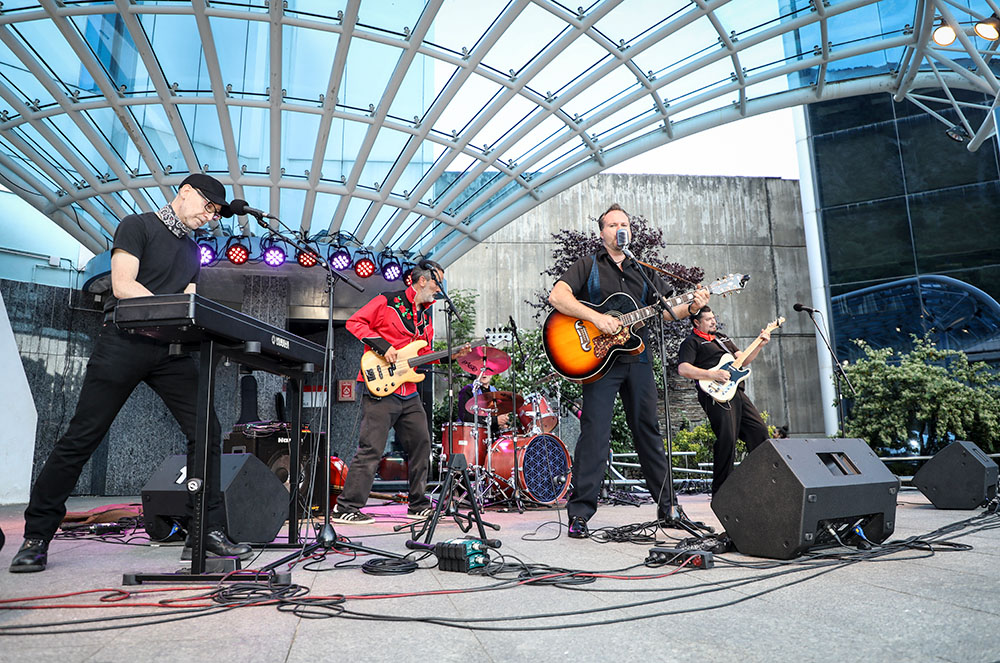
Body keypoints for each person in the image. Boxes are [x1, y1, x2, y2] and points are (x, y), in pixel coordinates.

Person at [9, 174, 252, 573]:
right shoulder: (137, 225)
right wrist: (174, 308)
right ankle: (37, 536)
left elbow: (188, 301)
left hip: (169, 352)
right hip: (124, 342)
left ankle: (205, 528)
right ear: (185, 193)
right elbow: (123, 286)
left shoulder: (193, 253)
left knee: (206, 429)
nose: (210, 217)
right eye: (207, 207)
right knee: (82, 436)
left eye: (215, 214)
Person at [548, 204, 709, 539]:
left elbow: (666, 311)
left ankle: (669, 509)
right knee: (595, 433)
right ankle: (580, 514)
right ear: (602, 232)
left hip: (637, 359)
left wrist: (692, 305)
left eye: (625, 224)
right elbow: (558, 296)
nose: (620, 229)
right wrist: (595, 318)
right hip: (599, 362)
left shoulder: (642, 270)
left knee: (648, 429)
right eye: (613, 224)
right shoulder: (588, 265)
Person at [332, 261, 446, 524]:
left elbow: (423, 355)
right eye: (436, 282)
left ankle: (418, 503)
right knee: (371, 448)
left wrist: (451, 357)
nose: (439, 289)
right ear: (421, 281)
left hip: (409, 391)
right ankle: (346, 507)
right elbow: (355, 322)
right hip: (381, 387)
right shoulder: (388, 301)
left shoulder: (427, 314)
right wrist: (383, 347)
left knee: (422, 444)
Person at [677, 306, 771, 494]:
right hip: (715, 395)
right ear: (697, 322)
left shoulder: (723, 338)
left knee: (759, 431)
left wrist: (759, 345)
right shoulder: (691, 342)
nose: (713, 321)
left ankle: (765, 479)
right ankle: (721, 490)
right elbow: (683, 369)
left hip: (736, 392)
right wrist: (712, 374)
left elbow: (743, 361)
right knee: (727, 437)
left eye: (714, 317)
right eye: (708, 319)